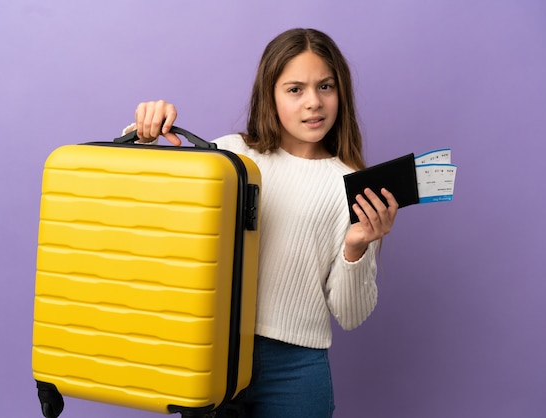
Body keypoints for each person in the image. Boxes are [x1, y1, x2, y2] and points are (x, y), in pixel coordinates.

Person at [124, 28, 398, 418]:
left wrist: (357, 247)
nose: (313, 103)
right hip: (214, 352)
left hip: (297, 369)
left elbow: (350, 315)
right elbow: (154, 206)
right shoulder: (233, 155)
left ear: (342, 94)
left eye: (325, 86)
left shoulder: (350, 184)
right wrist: (145, 135)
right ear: (269, 94)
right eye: (294, 89)